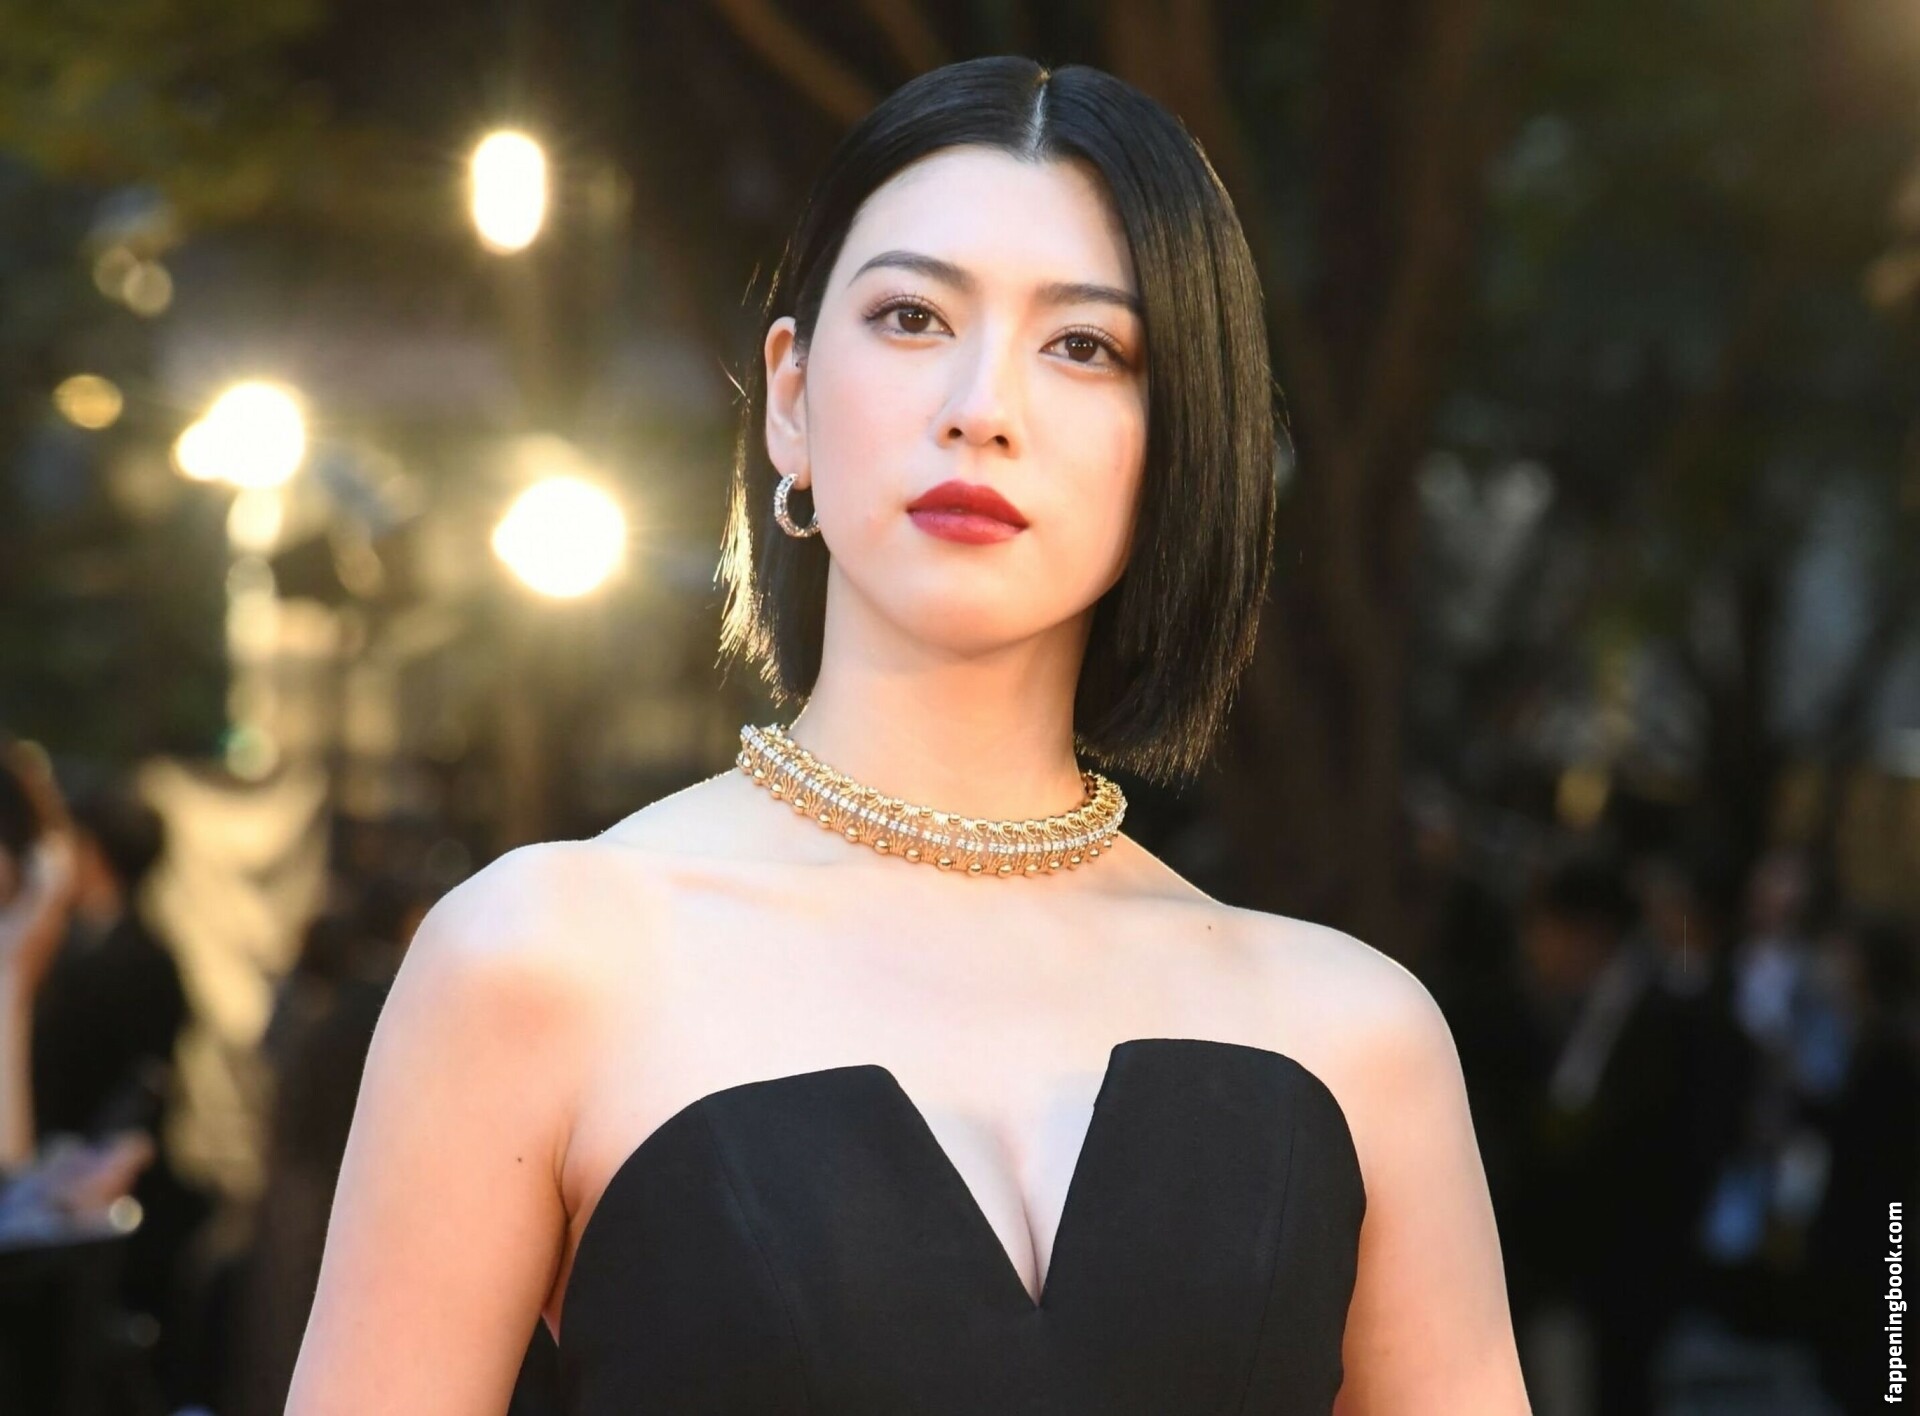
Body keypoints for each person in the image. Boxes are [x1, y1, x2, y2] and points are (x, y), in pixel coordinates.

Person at [289, 56, 1530, 1414]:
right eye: (911, 316)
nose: (981, 407)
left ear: (1182, 441)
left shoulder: (1356, 1040)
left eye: (1085, 346)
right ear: (792, 397)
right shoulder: (541, 960)